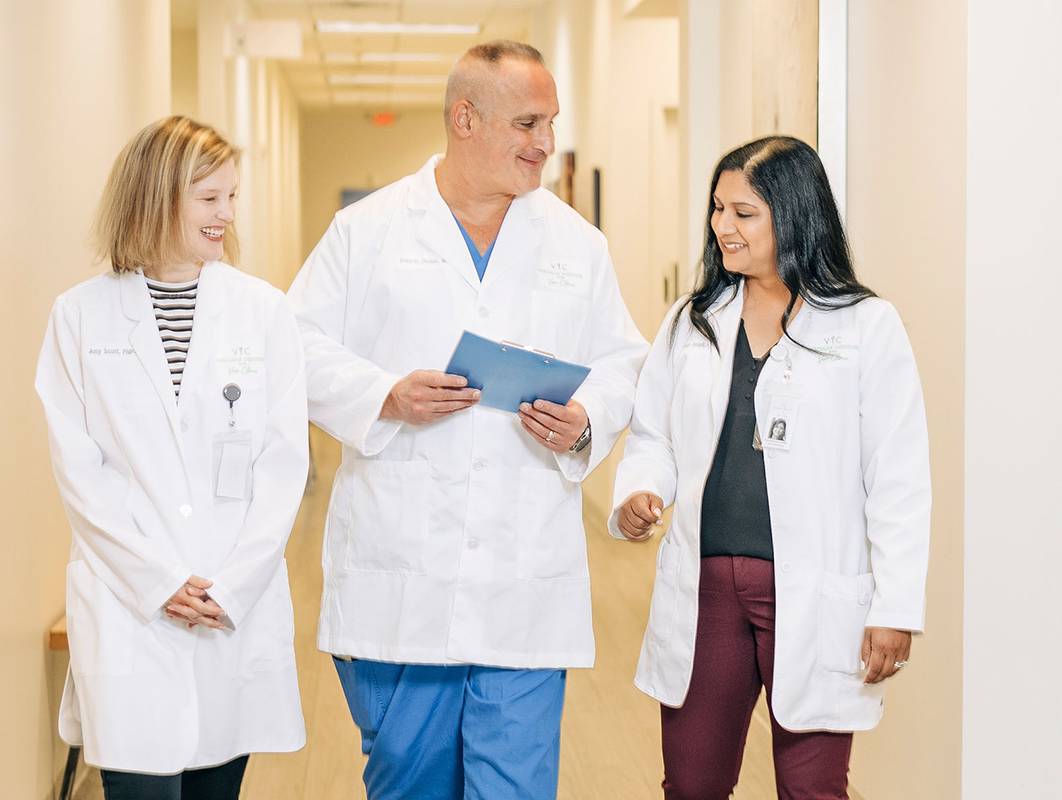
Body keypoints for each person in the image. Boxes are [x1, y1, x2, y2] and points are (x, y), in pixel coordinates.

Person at [286, 40, 648, 800]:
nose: (545, 143)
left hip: (523, 582)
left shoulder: (576, 246)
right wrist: (384, 394)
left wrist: (585, 420)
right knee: (409, 787)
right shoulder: (369, 232)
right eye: (526, 123)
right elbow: (292, 348)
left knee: (513, 789)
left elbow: (626, 360)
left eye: (549, 122)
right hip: (402, 578)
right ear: (464, 119)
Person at [611, 136, 931, 800]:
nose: (721, 227)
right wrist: (641, 490)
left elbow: (898, 477)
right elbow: (652, 436)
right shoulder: (692, 321)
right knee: (692, 788)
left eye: (743, 213)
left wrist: (895, 605)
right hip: (708, 594)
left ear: (794, 213)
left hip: (812, 591)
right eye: (718, 210)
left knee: (812, 790)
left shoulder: (866, 327)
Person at [36, 116, 308, 799]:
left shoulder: (264, 312)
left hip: (228, 603)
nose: (227, 215)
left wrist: (234, 583)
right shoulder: (80, 316)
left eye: (232, 197)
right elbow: (80, 473)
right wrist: (156, 581)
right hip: (130, 604)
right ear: (156, 197)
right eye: (209, 198)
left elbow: (282, 465)